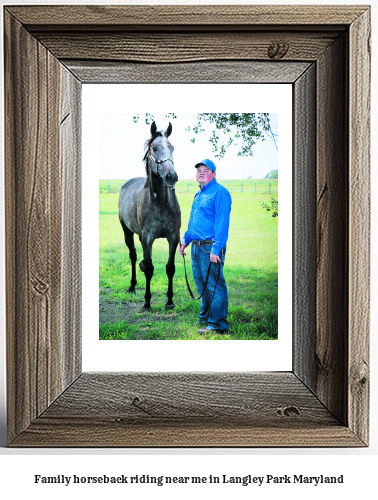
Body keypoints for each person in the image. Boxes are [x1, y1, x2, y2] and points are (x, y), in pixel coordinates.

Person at [179, 159, 232, 334]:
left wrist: (216, 250)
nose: (201, 173)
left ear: (214, 174)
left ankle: (217, 325)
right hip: (196, 247)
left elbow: (222, 223)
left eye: (206, 170)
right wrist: (186, 240)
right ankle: (206, 316)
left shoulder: (220, 192)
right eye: (199, 170)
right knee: (202, 286)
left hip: (210, 248)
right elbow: (194, 220)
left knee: (215, 286)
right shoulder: (199, 194)